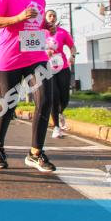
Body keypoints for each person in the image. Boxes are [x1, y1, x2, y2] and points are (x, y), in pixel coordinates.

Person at [0, 0, 57, 172]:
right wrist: (18, 17)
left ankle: (35, 153)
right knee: (9, 105)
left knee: (45, 99)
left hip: (35, 54)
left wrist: (46, 26)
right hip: (9, 57)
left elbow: (37, 21)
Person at [44, 9, 76, 139]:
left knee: (64, 97)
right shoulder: (41, 33)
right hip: (47, 68)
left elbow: (72, 46)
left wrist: (72, 55)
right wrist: (45, 53)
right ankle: (56, 127)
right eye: (49, 16)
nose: (52, 17)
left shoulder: (62, 32)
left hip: (62, 67)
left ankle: (60, 112)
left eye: (54, 16)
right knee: (54, 97)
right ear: (45, 18)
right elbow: (32, 49)